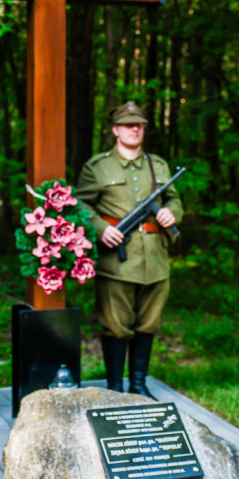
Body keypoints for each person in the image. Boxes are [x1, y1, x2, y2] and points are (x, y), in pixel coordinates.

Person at [76, 101, 183, 400]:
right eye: (127, 124)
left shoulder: (158, 165)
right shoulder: (98, 167)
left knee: (148, 323)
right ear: (115, 130)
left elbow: (175, 201)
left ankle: (138, 384)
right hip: (117, 259)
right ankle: (115, 387)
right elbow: (79, 204)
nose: (134, 129)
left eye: (139, 124)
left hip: (155, 257)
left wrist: (172, 214)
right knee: (115, 326)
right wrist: (99, 228)